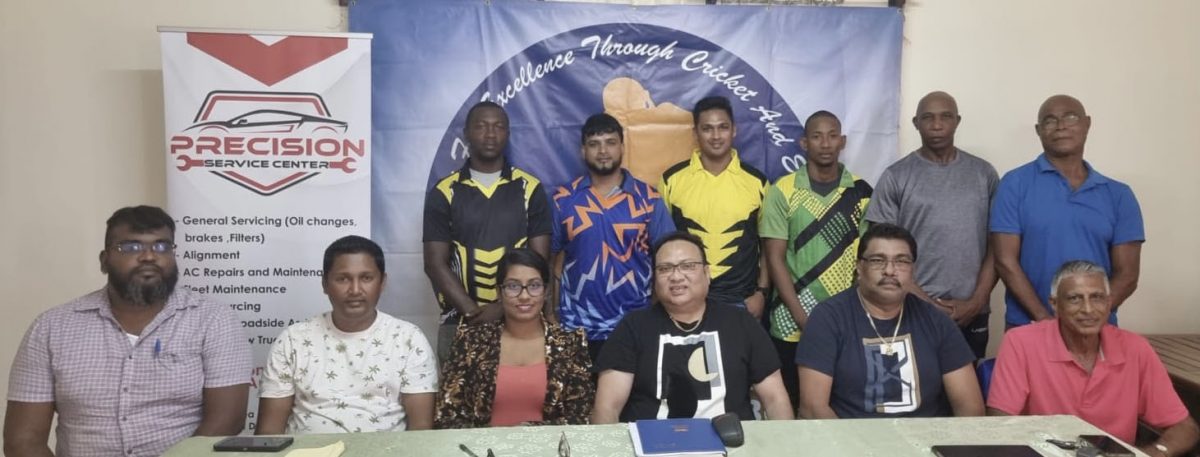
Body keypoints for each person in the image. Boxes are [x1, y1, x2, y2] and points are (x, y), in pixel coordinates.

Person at [4, 206, 251, 457]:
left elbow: (226, 422)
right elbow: (23, 439)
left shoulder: (213, 320)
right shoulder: (50, 328)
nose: (149, 256)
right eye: (131, 247)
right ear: (104, 260)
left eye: (162, 246)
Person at [987, 260, 1199, 456]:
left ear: (1108, 303)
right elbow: (1001, 424)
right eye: (1074, 298)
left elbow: (1184, 427)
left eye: (1096, 297)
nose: (1087, 309)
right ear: (1055, 304)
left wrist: (1150, 453)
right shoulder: (1021, 342)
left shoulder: (1135, 348)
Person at [591, 232, 793, 423]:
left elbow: (775, 399)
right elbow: (607, 407)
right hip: (652, 446)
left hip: (731, 444)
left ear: (707, 273)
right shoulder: (633, 327)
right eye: (665, 268)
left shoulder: (740, 322)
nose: (676, 276)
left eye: (687, 266)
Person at [795, 223, 983, 419]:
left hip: (924, 443)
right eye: (878, 260)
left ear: (913, 270)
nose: (890, 271)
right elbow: (813, 408)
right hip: (852, 443)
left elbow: (970, 407)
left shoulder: (936, 322)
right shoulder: (828, 318)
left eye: (901, 261)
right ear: (859, 267)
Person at [256, 235, 437, 434]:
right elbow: (268, 433)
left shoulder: (408, 339)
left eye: (366, 278)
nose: (355, 290)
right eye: (343, 279)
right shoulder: (293, 340)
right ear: (325, 284)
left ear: (382, 282)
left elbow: (421, 430)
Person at [991, 94, 1143, 328]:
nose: (1060, 125)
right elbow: (1005, 261)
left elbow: (1128, 275)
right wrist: (1045, 320)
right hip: (1029, 326)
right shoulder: (1014, 184)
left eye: (1070, 117)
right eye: (1050, 120)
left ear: (1087, 123)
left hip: (1096, 330)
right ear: (1038, 130)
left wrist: (1088, 316)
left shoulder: (1119, 195)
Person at [866, 91, 999, 358]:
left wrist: (976, 301)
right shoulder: (896, 176)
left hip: (972, 313)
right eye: (928, 118)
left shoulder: (984, 174)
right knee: (915, 393)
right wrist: (926, 303)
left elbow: (998, 248)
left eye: (945, 117)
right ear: (916, 123)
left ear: (957, 121)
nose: (937, 125)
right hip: (910, 309)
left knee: (968, 394)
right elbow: (881, 253)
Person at [424, 101, 553, 361]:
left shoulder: (530, 188)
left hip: (522, 319)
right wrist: (473, 313)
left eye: (498, 126)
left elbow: (541, 262)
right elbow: (434, 263)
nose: (490, 134)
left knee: (519, 398)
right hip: (458, 322)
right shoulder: (444, 191)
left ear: (508, 133)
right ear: (467, 133)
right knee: (458, 401)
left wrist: (504, 308)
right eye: (481, 126)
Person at [760, 110, 872, 409]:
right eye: (817, 136)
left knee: (842, 404)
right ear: (804, 143)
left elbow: (867, 261)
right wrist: (801, 317)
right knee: (793, 405)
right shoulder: (782, 190)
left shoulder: (861, 192)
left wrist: (850, 317)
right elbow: (774, 258)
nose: (825, 143)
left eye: (833, 135)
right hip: (789, 322)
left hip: (846, 321)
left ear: (843, 141)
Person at [552, 113, 675, 361]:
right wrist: (552, 315)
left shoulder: (648, 199)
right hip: (575, 328)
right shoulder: (563, 199)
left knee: (631, 399)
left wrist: (653, 312)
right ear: (583, 151)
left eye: (610, 142)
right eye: (594, 144)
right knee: (579, 400)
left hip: (634, 326)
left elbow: (668, 260)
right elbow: (552, 260)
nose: (603, 151)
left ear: (622, 147)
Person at [436, 248, 593, 428]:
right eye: (513, 286)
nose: (524, 296)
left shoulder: (570, 344)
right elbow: (447, 416)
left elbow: (581, 417)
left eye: (534, 285)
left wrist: (523, 435)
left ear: (546, 291)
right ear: (499, 292)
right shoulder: (470, 341)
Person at [658, 96, 770, 316]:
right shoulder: (672, 180)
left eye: (723, 127)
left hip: (742, 300)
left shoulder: (757, 182)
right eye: (707, 129)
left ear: (734, 130)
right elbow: (661, 245)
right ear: (695, 133)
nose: (716, 136)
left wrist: (761, 293)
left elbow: (768, 245)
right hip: (685, 300)